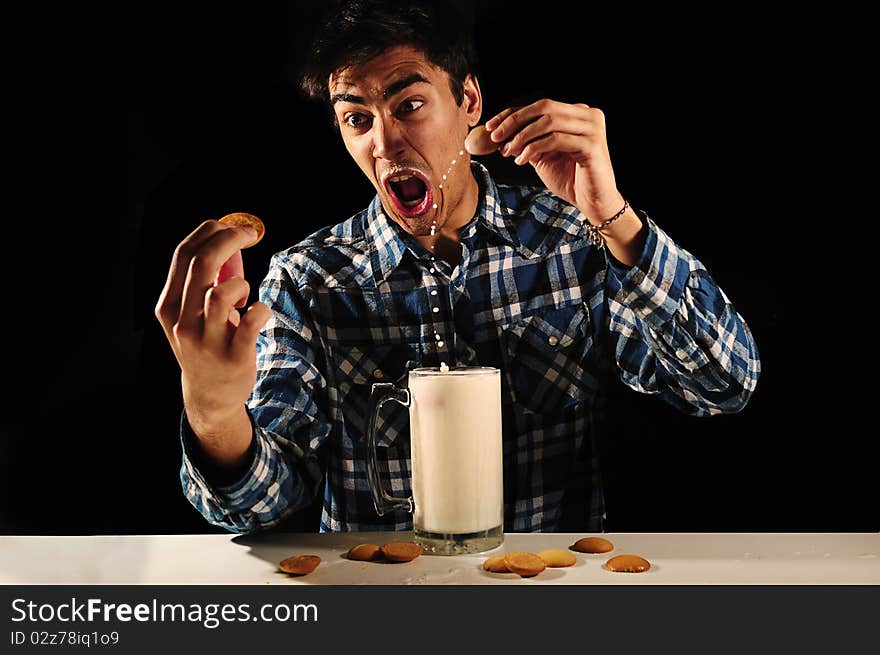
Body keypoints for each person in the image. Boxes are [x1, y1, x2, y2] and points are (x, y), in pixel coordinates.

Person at [155, 0, 760, 534]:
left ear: (468, 100)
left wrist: (617, 219)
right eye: (357, 119)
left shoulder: (574, 242)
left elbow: (723, 385)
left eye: (409, 104)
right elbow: (262, 505)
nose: (385, 144)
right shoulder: (307, 280)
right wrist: (213, 411)